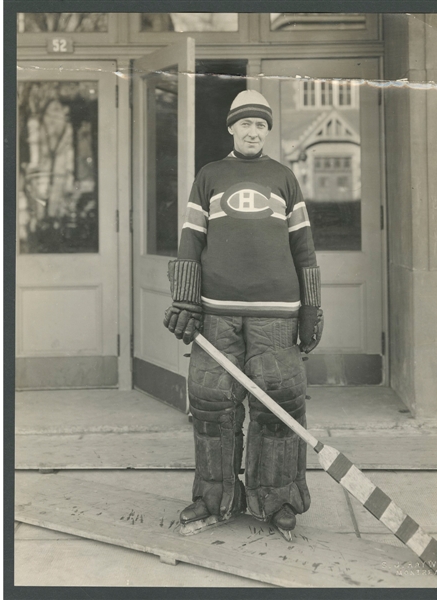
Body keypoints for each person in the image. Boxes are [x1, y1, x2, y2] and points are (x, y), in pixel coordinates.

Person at [163, 90, 323, 539]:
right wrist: (186, 300)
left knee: (279, 405)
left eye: (261, 125)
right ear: (231, 127)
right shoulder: (210, 176)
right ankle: (214, 497)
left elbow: (304, 248)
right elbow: (191, 241)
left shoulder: (284, 178)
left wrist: (311, 306)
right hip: (218, 314)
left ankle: (277, 501)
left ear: (268, 131)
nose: (253, 132)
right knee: (213, 405)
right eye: (246, 124)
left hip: (277, 314)